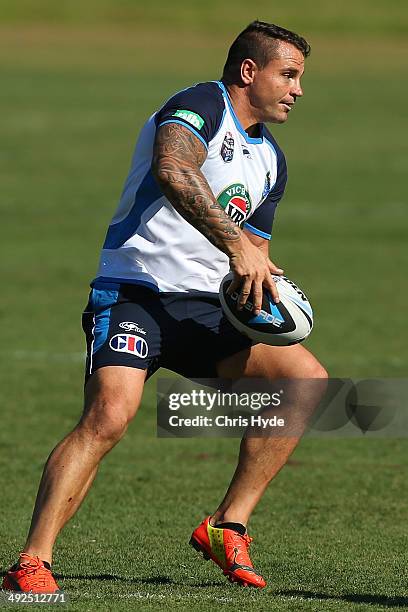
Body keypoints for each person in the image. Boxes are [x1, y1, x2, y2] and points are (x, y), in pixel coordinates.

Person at [2, 20, 327, 592]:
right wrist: (236, 246)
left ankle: (228, 525)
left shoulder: (270, 160)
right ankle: (33, 559)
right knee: (109, 416)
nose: (298, 89)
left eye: (300, 77)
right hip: (138, 292)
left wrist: (268, 292)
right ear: (249, 72)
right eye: (289, 74)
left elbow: (255, 253)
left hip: (207, 309)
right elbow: (174, 168)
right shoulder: (199, 104)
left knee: (304, 379)